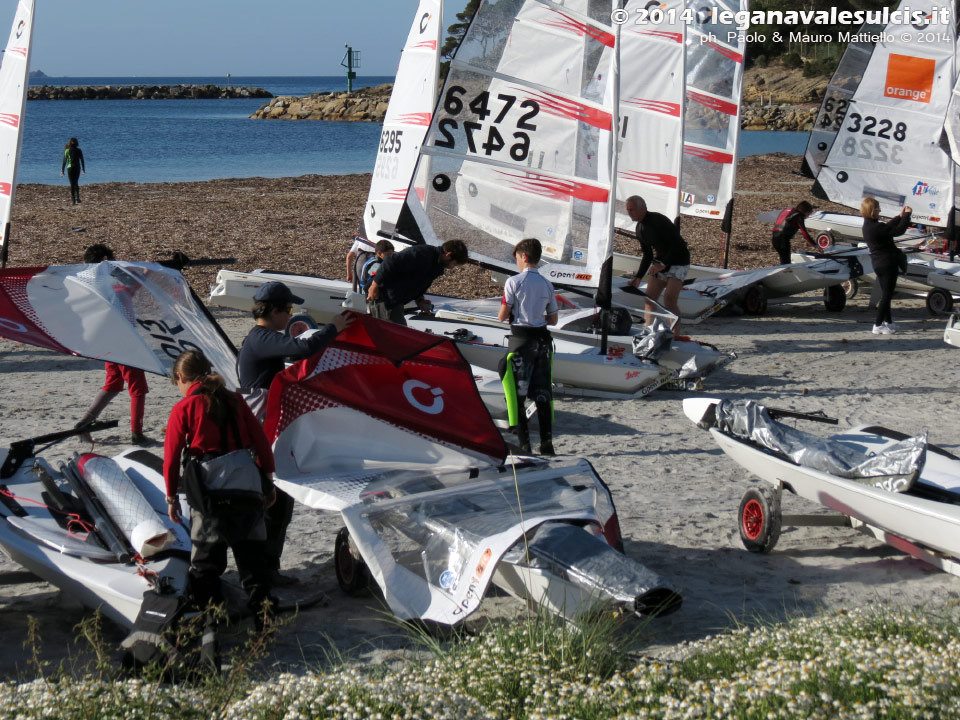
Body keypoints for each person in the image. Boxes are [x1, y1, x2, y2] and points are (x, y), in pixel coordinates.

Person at [237, 280, 353, 584]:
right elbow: (302, 349)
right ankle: (263, 573)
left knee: (279, 505)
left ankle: (268, 569)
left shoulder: (263, 338)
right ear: (273, 310)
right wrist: (335, 327)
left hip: (267, 432)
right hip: (260, 435)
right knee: (273, 504)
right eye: (287, 309)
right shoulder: (261, 338)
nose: (290, 315)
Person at [163, 350, 276, 651]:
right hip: (246, 488)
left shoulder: (185, 408)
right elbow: (262, 443)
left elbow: (172, 458)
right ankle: (264, 630)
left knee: (205, 567)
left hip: (209, 495)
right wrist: (268, 481)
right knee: (254, 566)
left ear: (181, 378)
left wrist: (172, 496)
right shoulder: (237, 401)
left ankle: (210, 629)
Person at [75, 244, 151, 446]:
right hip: (125, 341)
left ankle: (84, 422)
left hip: (107, 342)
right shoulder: (109, 283)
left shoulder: (90, 282)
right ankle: (137, 433)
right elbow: (129, 289)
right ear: (106, 259)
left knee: (113, 384)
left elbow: (127, 289)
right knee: (138, 389)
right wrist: (147, 272)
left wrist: (144, 273)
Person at [497, 238, 558, 456]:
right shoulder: (547, 284)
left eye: (517, 259)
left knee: (516, 392)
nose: (517, 264)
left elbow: (502, 316)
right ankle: (547, 443)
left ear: (524, 257)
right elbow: (553, 320)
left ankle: (524, 444)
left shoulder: (514, 281)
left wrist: (514, 313)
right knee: (542, 393)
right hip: (542, 342)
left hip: (521, 342)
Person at [625, 195, 691, 330]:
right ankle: (648, 330)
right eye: (628, 210)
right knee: (649, 299)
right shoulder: (639, 229)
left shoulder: (658, 220)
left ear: (643, 208)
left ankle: (675, 335)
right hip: (661, 263)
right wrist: (638, 277)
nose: (629, 213)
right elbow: (647, 255)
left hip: (679, 261)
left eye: (632, 210)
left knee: (669, 300)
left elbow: (677, 244)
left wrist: (664, 264)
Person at [366, 239, 468, 325]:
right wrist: (374, 285)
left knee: (396, 335)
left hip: (397, 301)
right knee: (395, 336)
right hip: (385, 297)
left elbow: (417, 284)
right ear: (448, 255)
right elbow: (390, 261)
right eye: (454, 263)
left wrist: (420, 300)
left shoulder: (437, 267)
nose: (452, 267)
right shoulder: (422, 253)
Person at [861, 197, 912, 335]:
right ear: (872, 210)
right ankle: (877, 325)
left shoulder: (868, 225)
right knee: (887, 295)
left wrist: (899, 216)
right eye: (878, 208)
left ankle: (888, 323)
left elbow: (888, 227)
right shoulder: (876, 227)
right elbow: (898, 231)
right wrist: (907, 216)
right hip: (887, 263)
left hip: (879, 263)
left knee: (886, 294)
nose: (880, 210)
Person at [60, 137, 85, 205]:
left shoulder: (67, 151)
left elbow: (64, 161)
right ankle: (77, 198)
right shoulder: (79, 150)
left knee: (72, 184)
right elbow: (82, 160)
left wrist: (62, 170)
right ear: (77, 143)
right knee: (76, 182)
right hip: (77, 168)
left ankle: (73, 200)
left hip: (70, 168)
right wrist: (83, 169)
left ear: (70, 143)